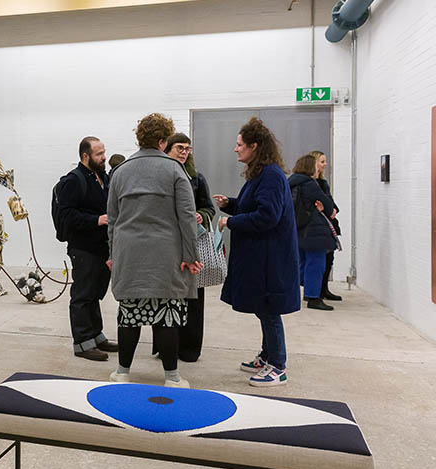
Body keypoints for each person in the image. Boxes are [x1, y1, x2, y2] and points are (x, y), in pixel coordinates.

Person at [108, 113, 203, 388]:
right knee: (166, 316)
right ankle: (172, 377)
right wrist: (191, 256)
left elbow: (112, 219)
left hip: (129, 254)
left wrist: (113, 254)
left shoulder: (120, 171)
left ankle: (122, 373)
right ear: (163, 141)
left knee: (130, 314)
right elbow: (187, 217)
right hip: (166, 256)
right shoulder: (176, 171)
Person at [212, 117, 299, 387]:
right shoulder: (260, 174)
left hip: (270, 259)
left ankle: (278, 366)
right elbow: (254, 206)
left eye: (240, 145)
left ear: (254, 146)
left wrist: (231, 222)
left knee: (270, 310)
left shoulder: (271, 176)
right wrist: (232, 205)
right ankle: (267, 355)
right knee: (263, 308)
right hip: (262, 257)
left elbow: (267, 216)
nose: (236, 149)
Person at [152, 133, 215, 364]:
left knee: (193, 297)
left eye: (188, 148)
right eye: (179, 147)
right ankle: (164, 347)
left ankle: (189, 348)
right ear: (166, 148)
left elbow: (209, 208)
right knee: (164, 295)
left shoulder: (197, 179)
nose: (184, 152)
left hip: (190, 244)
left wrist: (201, 215)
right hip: (164, 245)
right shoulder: (157, 176)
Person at [56, 137, 119, 361]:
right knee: (82, 295)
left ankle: (96, 336)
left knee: (94, 294)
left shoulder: (101, 176)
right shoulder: (74, 180)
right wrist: (96, 220)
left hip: (101, 247)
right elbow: (67, 215)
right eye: (99, 154)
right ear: (85, 156)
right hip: (83, 248)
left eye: (104, 152)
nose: (104, 158)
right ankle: (82, 343)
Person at [288, 154, 337, 311]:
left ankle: (308, 293)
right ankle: (314, 298)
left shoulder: (291, 183)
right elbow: (330, 208)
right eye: (317, 166)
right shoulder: (310, 184)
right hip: (314, 230)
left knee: (303, 263)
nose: (319, 169)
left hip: (298, 229)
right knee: (316, 264)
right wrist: (326, 208)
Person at [309, 150, 342, 301]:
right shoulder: (310, 183)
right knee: (317, 262)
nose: (325, 164)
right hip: (316, 226)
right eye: (322, 161)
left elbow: (329, 201)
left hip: (328, 224)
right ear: (314, 163)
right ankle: (314, 292)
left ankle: (323, 289)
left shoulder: (323, 183)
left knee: (329, 259)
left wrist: (333, 209)